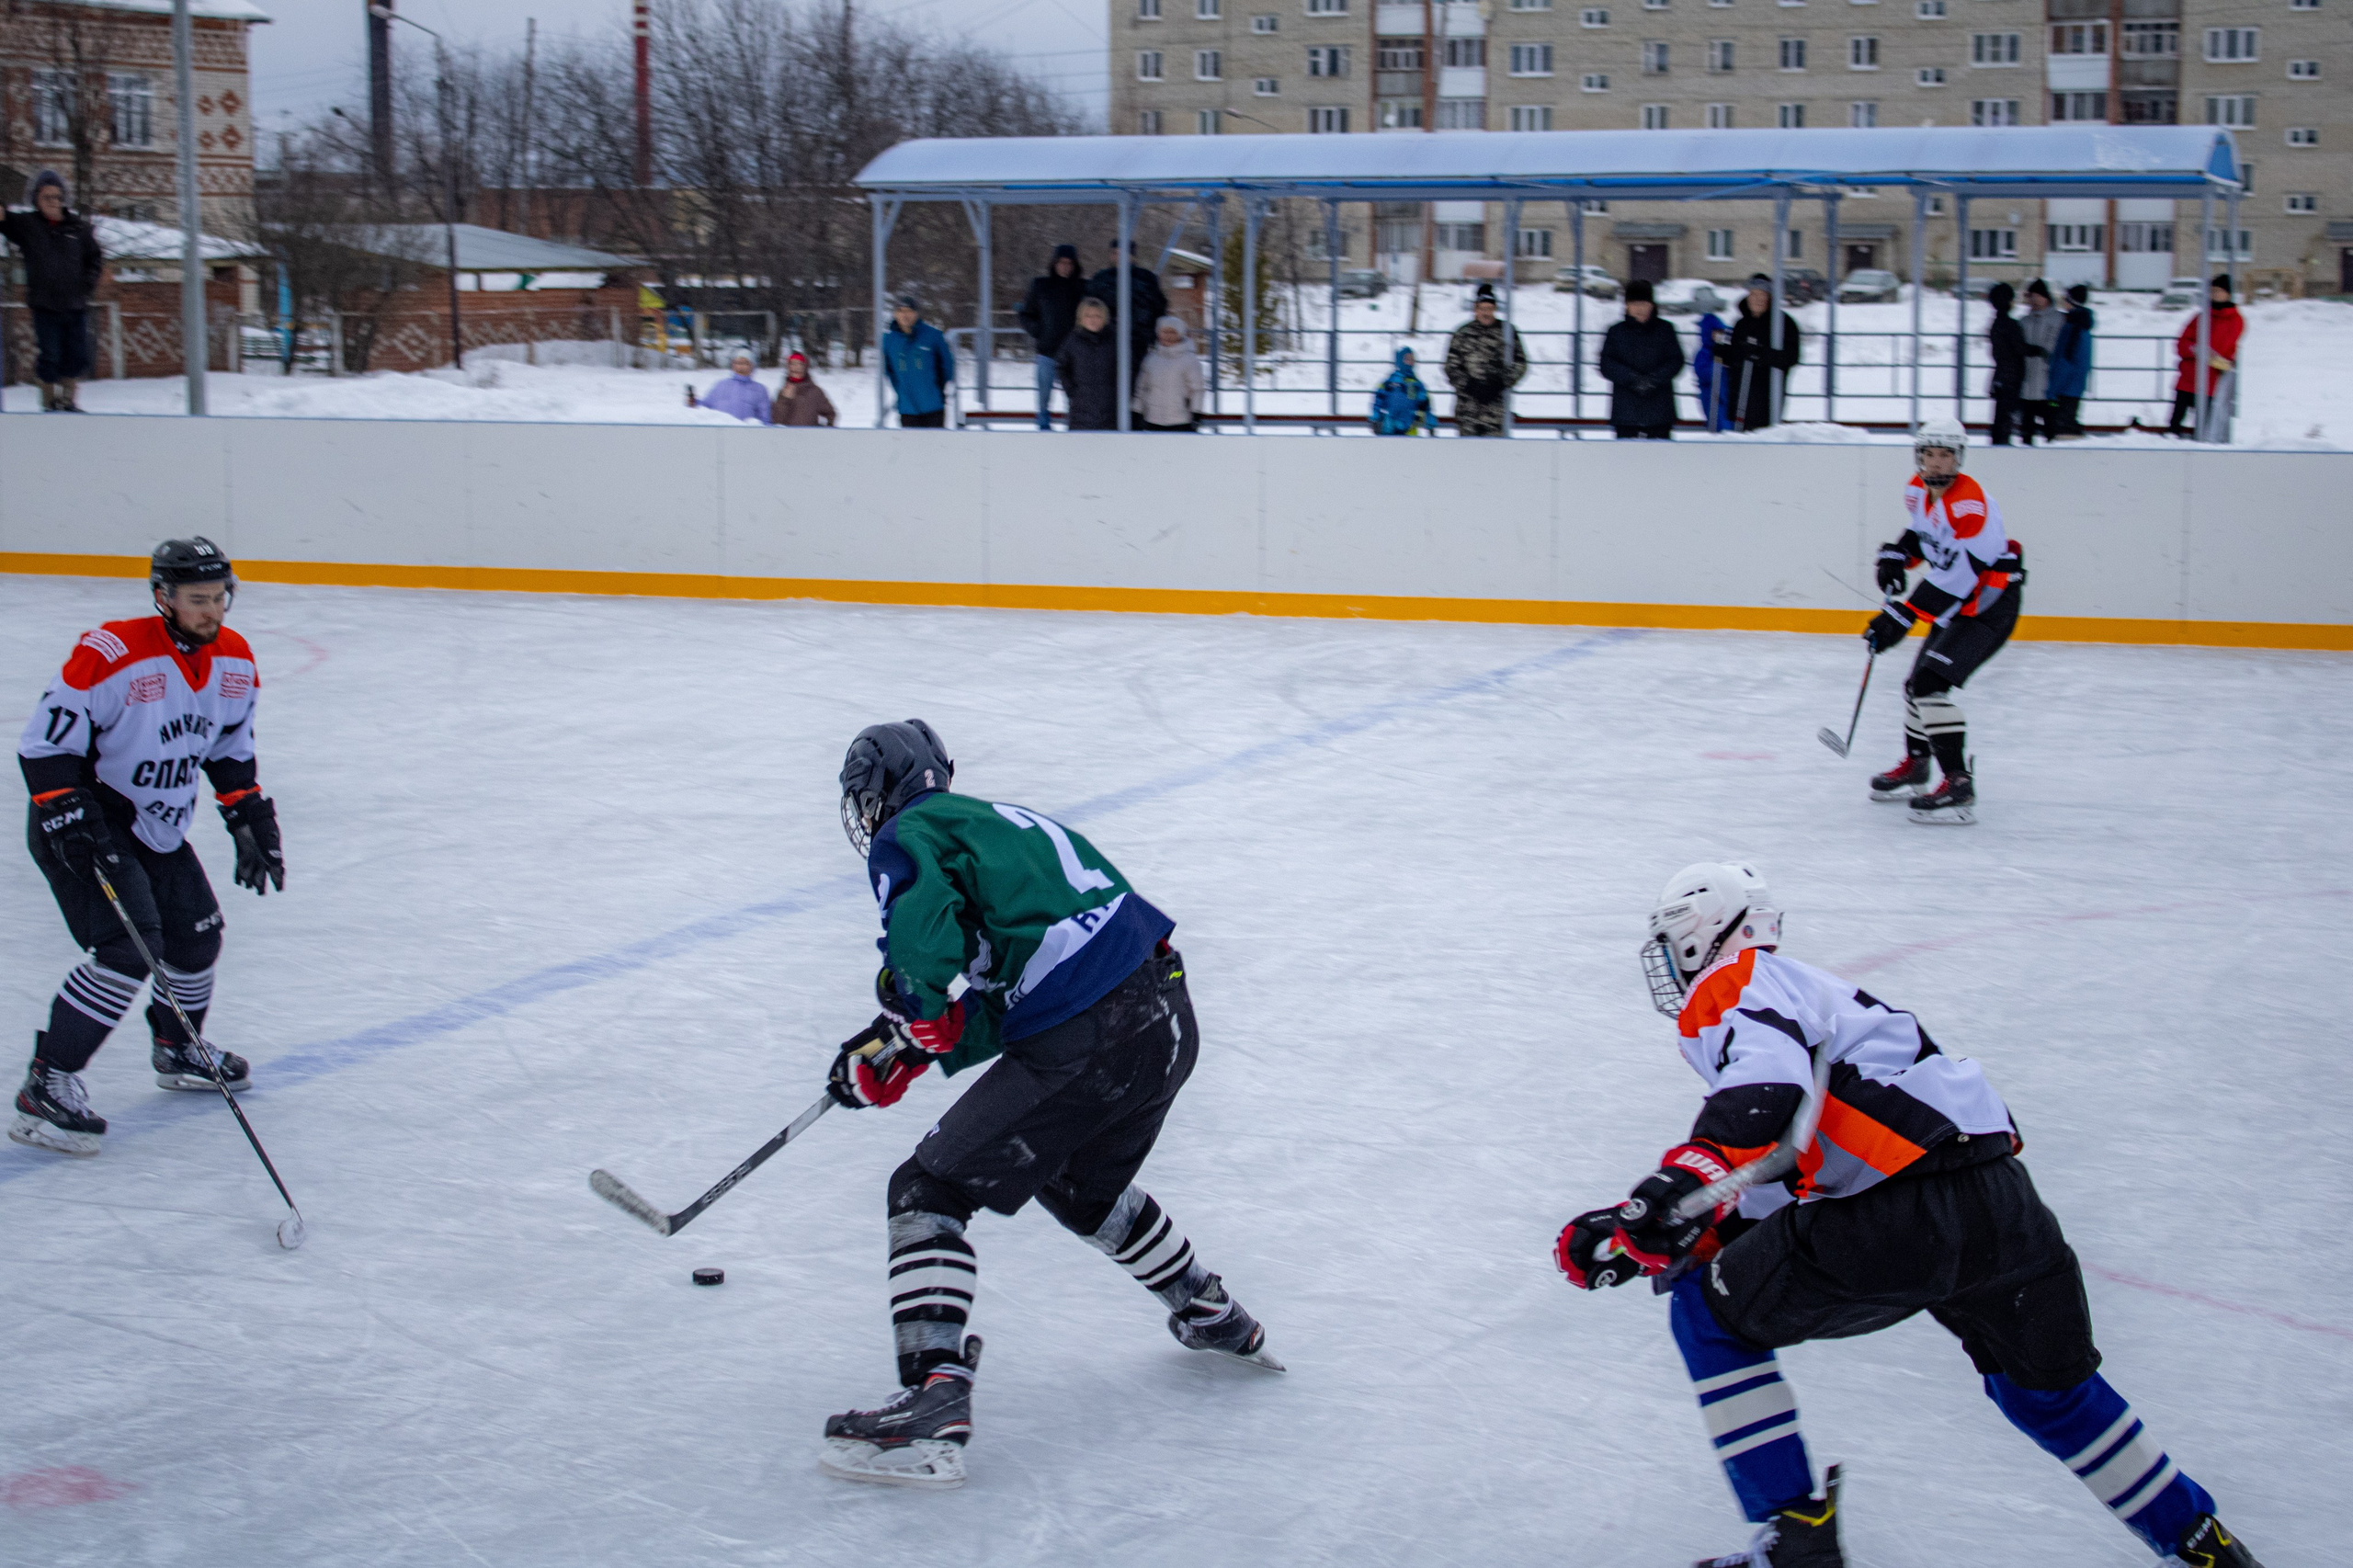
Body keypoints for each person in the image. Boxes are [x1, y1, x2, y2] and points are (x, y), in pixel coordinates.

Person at [1556, 861, 2268, 1568]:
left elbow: (1766, 1089)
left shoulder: (1733, 982)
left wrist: (1684, 1184)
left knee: (1707, 1314)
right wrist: (1669, 1223)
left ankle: (1795, 1543)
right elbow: (1781, 1161)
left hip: (1895, 1213)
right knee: (2049, 1394)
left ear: (1697, 933)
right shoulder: (1819, 994)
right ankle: (2203, 1547)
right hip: (2003, 1202)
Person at [817, 722, 1279, 1490]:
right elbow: (1021, 986)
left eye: (869, 803)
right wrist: (909, 1048)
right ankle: (1208, 1308)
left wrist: (909, 1009)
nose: (869, 821)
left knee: (926, 1190)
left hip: (1093, 1031)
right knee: (1079, 1186)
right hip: (1166, 1017)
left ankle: (933, 1396)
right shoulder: (1001, 832)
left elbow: (923, 947)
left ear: (890, 790)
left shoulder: (913, 833)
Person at [12, 540, 284, 1158]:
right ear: (163, 597)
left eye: (219, 598)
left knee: (196, 938)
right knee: (129, 948)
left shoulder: (235, 659)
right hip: (85, 820)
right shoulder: (112, 651)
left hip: (155, 823)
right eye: (197, 600)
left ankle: (177, 1048)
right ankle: (46, 1085)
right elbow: (43, 745)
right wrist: (65, 812)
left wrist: (248, 816)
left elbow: (229, 751)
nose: (211, 611)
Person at [1859, 416, 2025, 824]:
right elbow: (1925, 535)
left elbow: (1958, 578)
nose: (1936, 463)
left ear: (1959, 458)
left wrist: (1900, 617)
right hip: (1957, 604)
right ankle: (1917, 766)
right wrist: (1898, 554)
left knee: (1930, 686)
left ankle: (1958, 784)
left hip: (1987, 607)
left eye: (1946, 455)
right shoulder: (1917, 490)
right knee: (1915, 686)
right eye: (1929, 454)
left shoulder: (1971, 507)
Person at [0, 169, 105, 413]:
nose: (53, 202)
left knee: (77, 356)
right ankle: (49, 402)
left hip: (74, 305)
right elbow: (4, 219)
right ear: (36, 199)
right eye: (47, 197)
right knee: (50, 356)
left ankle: (67, 400)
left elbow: (95, 258)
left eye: (57, 197)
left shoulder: (78, 228)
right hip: (45, 306)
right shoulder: (28, 225)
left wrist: (87, 283)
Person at [1598, 279, 1686, 439]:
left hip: (1659, 411)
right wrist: (1632, 379)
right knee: (1626, 454)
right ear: (1627, 306)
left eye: (1644, 304)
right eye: (1634, 304)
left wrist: (1653, 380)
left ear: (1652, 305)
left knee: (1660, 453)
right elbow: (1607, 364)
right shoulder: (1616, 332)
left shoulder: (1665, 330)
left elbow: (1675, 361)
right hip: (1626, 412)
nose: (1639, 308)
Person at [1016, 244, 1087, 430]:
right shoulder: (1041, 286)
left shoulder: (1083, 288)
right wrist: (1039, 331)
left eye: (1069, 263)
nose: (1065, 266)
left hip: (1075, 354)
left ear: (1075, 265)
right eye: (1061, 262)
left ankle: (1075, 431)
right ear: (1054, 263)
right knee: (1043, 399)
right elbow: (1026, 314)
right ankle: (1043, 429)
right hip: (1047, 352)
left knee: (1074, 398)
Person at [1443, 284, 1529, 437]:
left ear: (1494, 309)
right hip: (1468, 410)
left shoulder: (1507, 332)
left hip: (1495, 412)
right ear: (1476, 309)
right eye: (1482, 308)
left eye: (1489, 309)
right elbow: (1451, 366)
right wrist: (1469, 385)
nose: (1486, 313)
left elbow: (1520, 363)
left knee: (1495, 450)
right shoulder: (1463, 333)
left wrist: (1500, 382)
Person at [1717, 275, 1800, 433]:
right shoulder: (1742, 324)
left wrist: (1759, 354)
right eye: (1754, 294)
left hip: (1766, 397)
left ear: (1770, 298)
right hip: (1740, 397)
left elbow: (1791, 356)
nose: (1758, 299)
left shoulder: (1783, 323)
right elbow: (1736, 356)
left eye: (1763, 295)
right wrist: (1723, 352)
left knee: (1762, 438)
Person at [2165, 277, 2242, 439]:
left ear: (2228, 294)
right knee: (2175, 421)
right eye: (2212, 291)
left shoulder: (2235, 321)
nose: (2215, 294)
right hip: (2189, 376)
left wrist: (2205, 354)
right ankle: (2171, 441)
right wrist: (2193, 349)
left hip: (2210, 379)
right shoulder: (2201, 317)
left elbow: (2223, 349)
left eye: (2218, 291)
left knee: (2204, 424)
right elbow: (2182, 342)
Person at [1087, 239, 1168, 376]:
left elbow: (1159, 308)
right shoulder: (1101, 279)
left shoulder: (1146, 279)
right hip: (1106, 341)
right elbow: (1089, 307)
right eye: (1114, 253)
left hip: (1139, 341)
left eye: (1122, 253)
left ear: (1132, 256)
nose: (1118, 257)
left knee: (1137, 381)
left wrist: (1155, 336)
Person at [881, 296, 955, 429]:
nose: (905, 315)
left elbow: (947, 366)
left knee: (935, 442)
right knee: (910, 443)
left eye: (909, 311)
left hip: (933, 407)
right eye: (900, 311)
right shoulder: (889, 340)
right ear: (895, 314)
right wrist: (902, 392)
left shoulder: (933, 336)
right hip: (907, 408)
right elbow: (889, 371)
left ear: (916, 313)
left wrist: (936, 389)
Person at [1053, 297, 1121, 431]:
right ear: (1081, 318)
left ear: (1104, 318)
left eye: (1097, 316)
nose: (1093, 320)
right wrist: (1072, 391)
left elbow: (1126, 369)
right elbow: (1061, 367)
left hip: (1109, 408)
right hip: (1081, 408)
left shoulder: (1114, 340)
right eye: (1088, 316)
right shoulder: (1072, 341)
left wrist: (1116, 392)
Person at [1132, 315, 1204, 431]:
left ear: (1180, 334)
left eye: (1173, 332)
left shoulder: (1190, 360)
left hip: (1180, 421)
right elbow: (1141, 389)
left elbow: (1197, 390)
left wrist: (1196, 413)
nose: (1168, 336)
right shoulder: (1150, 359)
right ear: (1158, 333)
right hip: (1153, 420)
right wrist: (1137, 410)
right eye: (1165, 332)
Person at [2048, 284, 2095, 439]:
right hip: (2074, 387)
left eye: (2065, 299)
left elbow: (2065, 362)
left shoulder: (2072, 328)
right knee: (2068, 422)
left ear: (2071, 302)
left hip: (2065, 388)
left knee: (2062, 429)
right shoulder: (2083, 326)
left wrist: (2053, 390)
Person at [1985, 282, 2029, 446]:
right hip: (2011, 376)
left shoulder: (1996, 324)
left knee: (2000, 414)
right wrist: (2038, 350)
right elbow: (2020, 348)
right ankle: (2002, 444)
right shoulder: (2010, 324)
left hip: (2000, 374)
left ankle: (1998, 442)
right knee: (2006, 414)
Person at [2018, 280, 2063, 445]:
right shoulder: (2024, 321)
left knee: (2051, 427)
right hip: (2027, 384)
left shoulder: (2059, 319)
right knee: (2026, 429)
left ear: (2046, 298)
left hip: (2049, 385)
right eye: (2031, 296)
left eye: (2038, 296)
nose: (2034, 300)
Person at [1368, 347, 1436, 436]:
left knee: (1410, 443)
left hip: (1410, 427)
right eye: (1407, 359)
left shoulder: (1416, 384)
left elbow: (1425, 403)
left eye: (1412, 359)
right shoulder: (1389, 383)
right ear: (1400, 361)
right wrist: (1375, 416)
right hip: (1389, 427)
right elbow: (1378, 400)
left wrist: (1430, 421)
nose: (1410, 362)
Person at [770, 351, 837, 426]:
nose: (797, 367)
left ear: (805, 367)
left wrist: (821, 427)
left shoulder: (816, 392)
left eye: (801, 364)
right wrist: (785, 400)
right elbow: (777, 421)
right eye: (793, 364)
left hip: (811, 434)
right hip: (788, 434)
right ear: (788, 368)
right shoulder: (782, 393)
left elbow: (830, 416)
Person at [700, 352, 772, 424]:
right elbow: (705, 407)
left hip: (746, 430)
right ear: (733, 365)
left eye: (744, 363)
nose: (740, 366)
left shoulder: (760, 389)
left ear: (752, 366)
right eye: (737, 363)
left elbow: (765, 419)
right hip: (719, 429)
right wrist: (695, 402)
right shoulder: (720, 385)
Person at [1693, 306, 1732, 433]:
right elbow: (1704, 373)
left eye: (1721, 332)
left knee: (1729, 425)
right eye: (1715, 332)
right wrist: (1720, 367)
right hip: (1712, 397)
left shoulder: (1724, 352)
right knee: (1718, 426)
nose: (1719, 335)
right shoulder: (1704, 354)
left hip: (1726, 397)